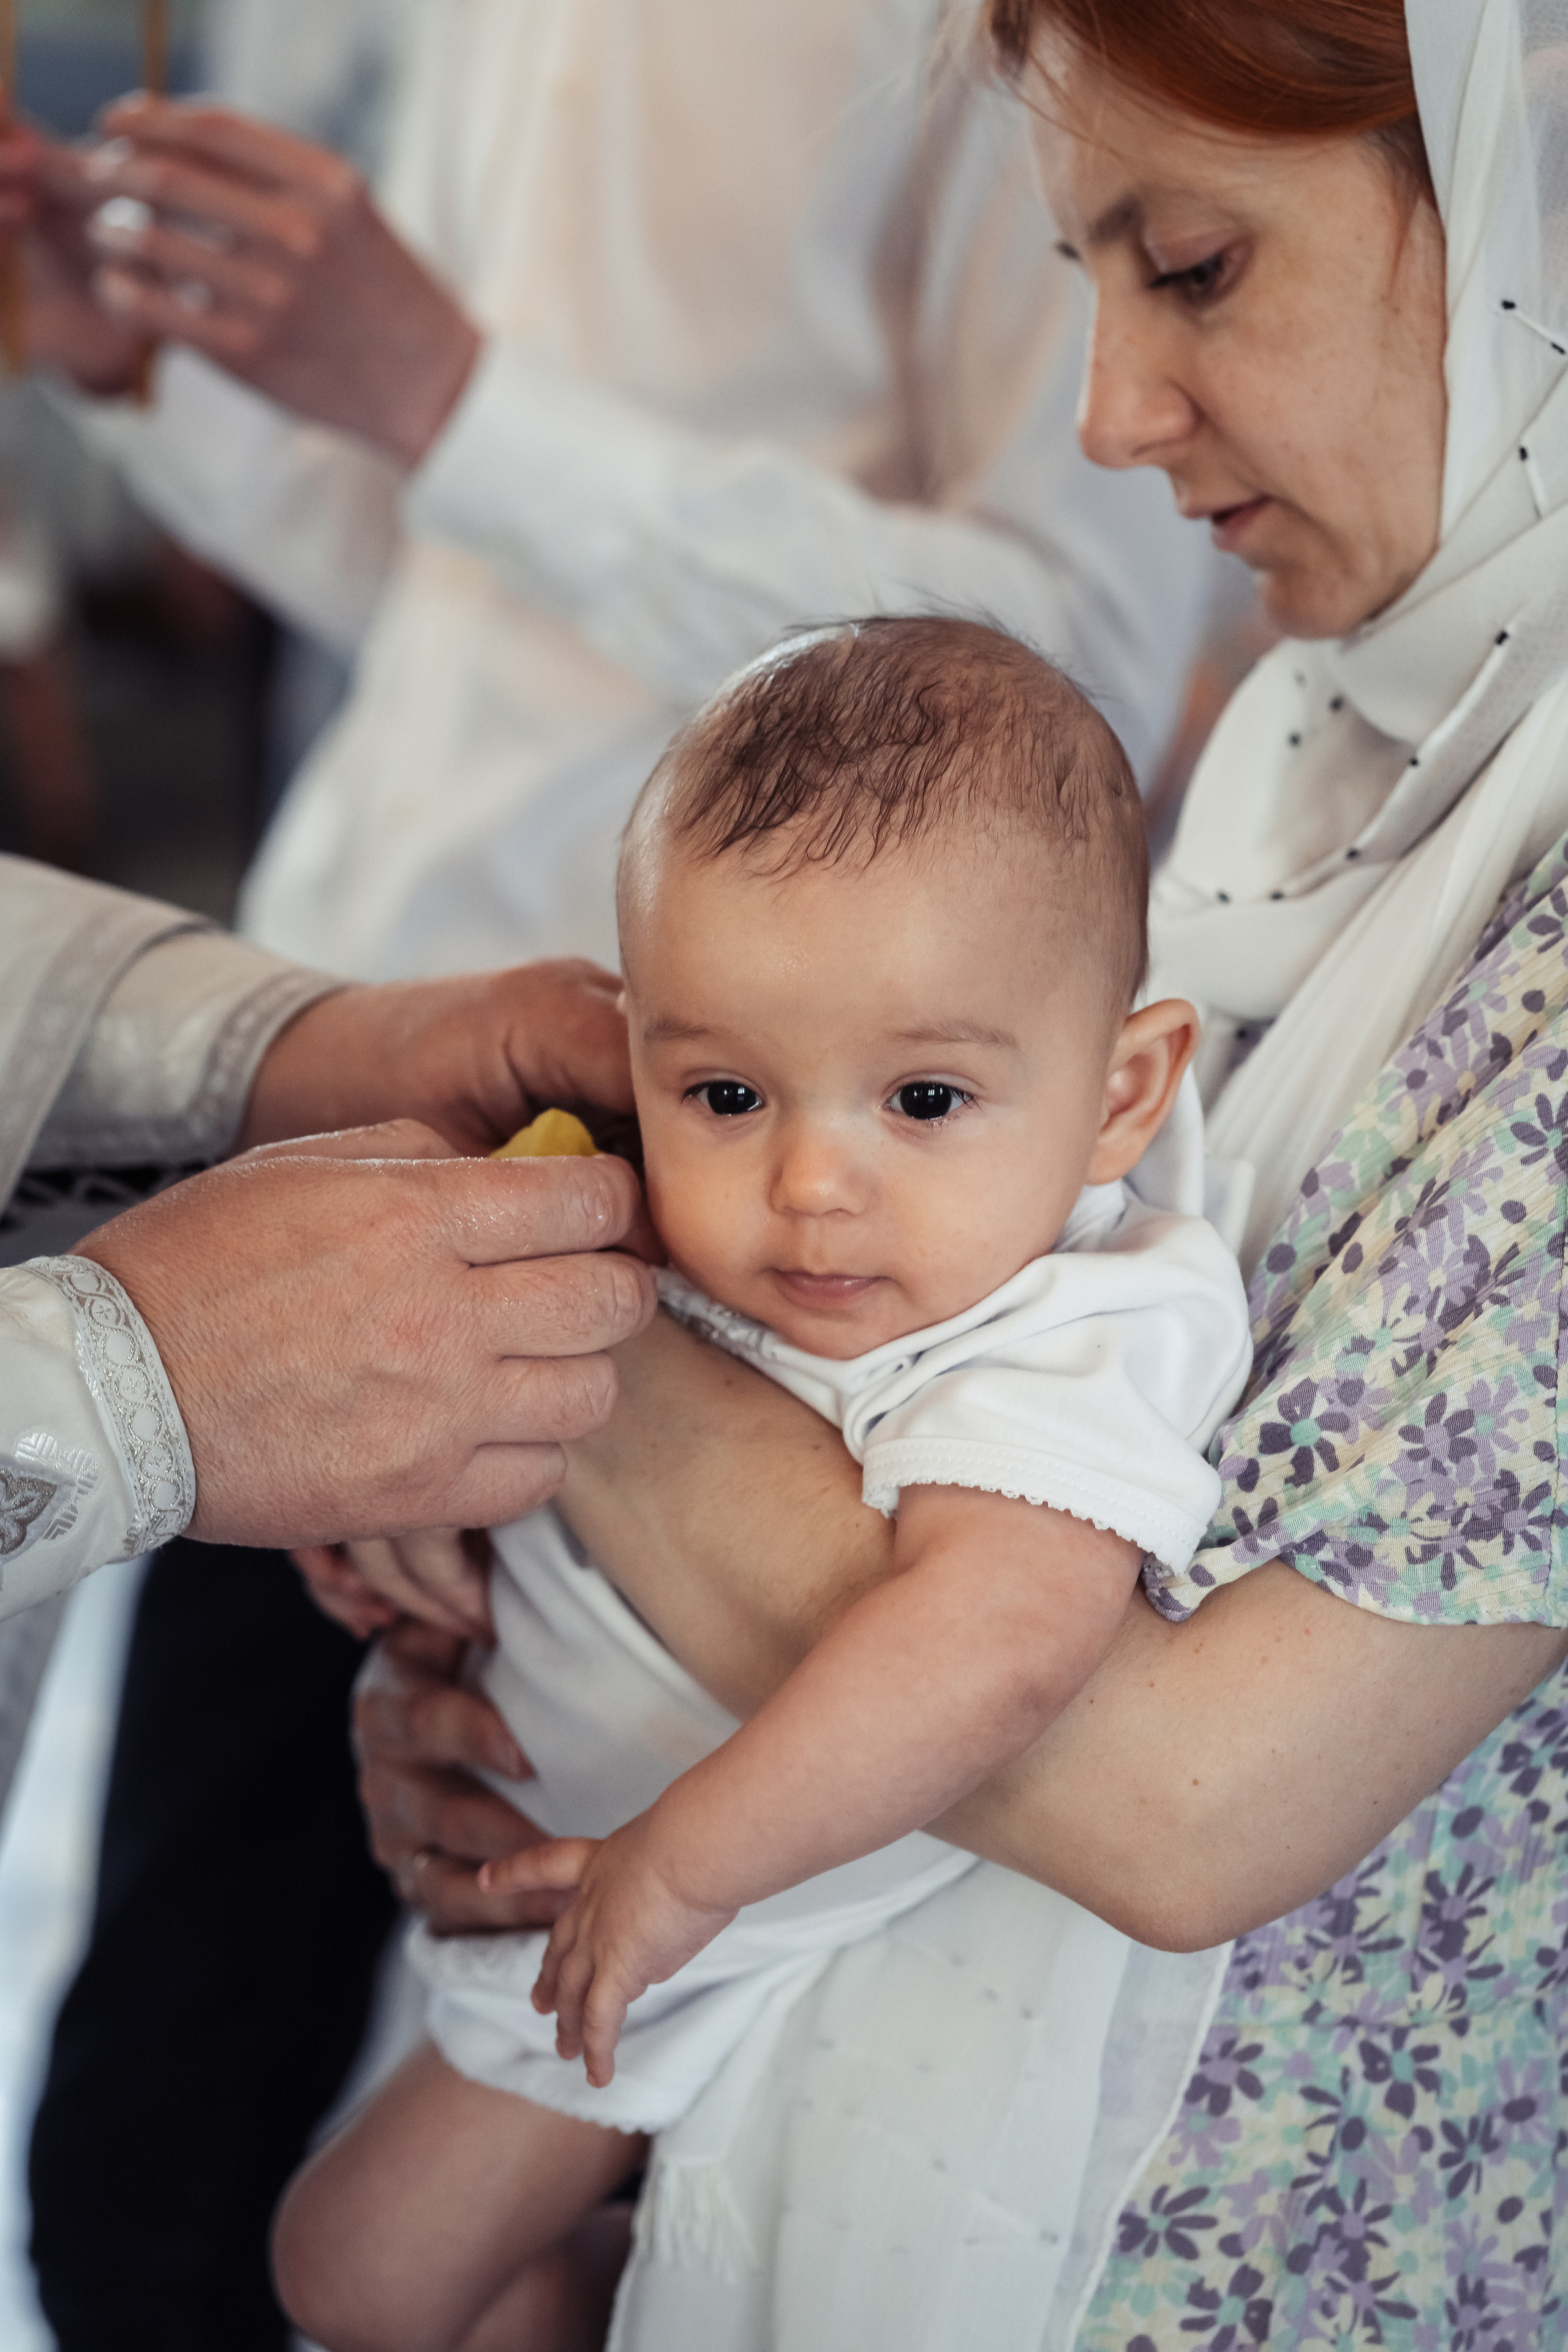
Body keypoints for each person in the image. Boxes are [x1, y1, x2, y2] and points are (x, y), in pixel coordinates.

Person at [352, 1, 1568, 2343]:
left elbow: (1180, 1803)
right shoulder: (1317, 752)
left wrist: (522, 1353)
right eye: (1089, 282)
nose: (1108, 416)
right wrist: (502, 1650)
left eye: (1195, 267)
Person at [271, 617, 1252, 2352]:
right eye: (724, 1089)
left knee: (350, 2273)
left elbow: (1000, 1641)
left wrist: (688, 1865)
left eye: (924, 1097)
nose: (808, 1182)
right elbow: (476, 1270)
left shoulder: (1085, 1324)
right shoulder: (668, 1188)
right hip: (572, 1853)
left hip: (710, 1903)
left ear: (1123, 1092)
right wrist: (404, 1494)